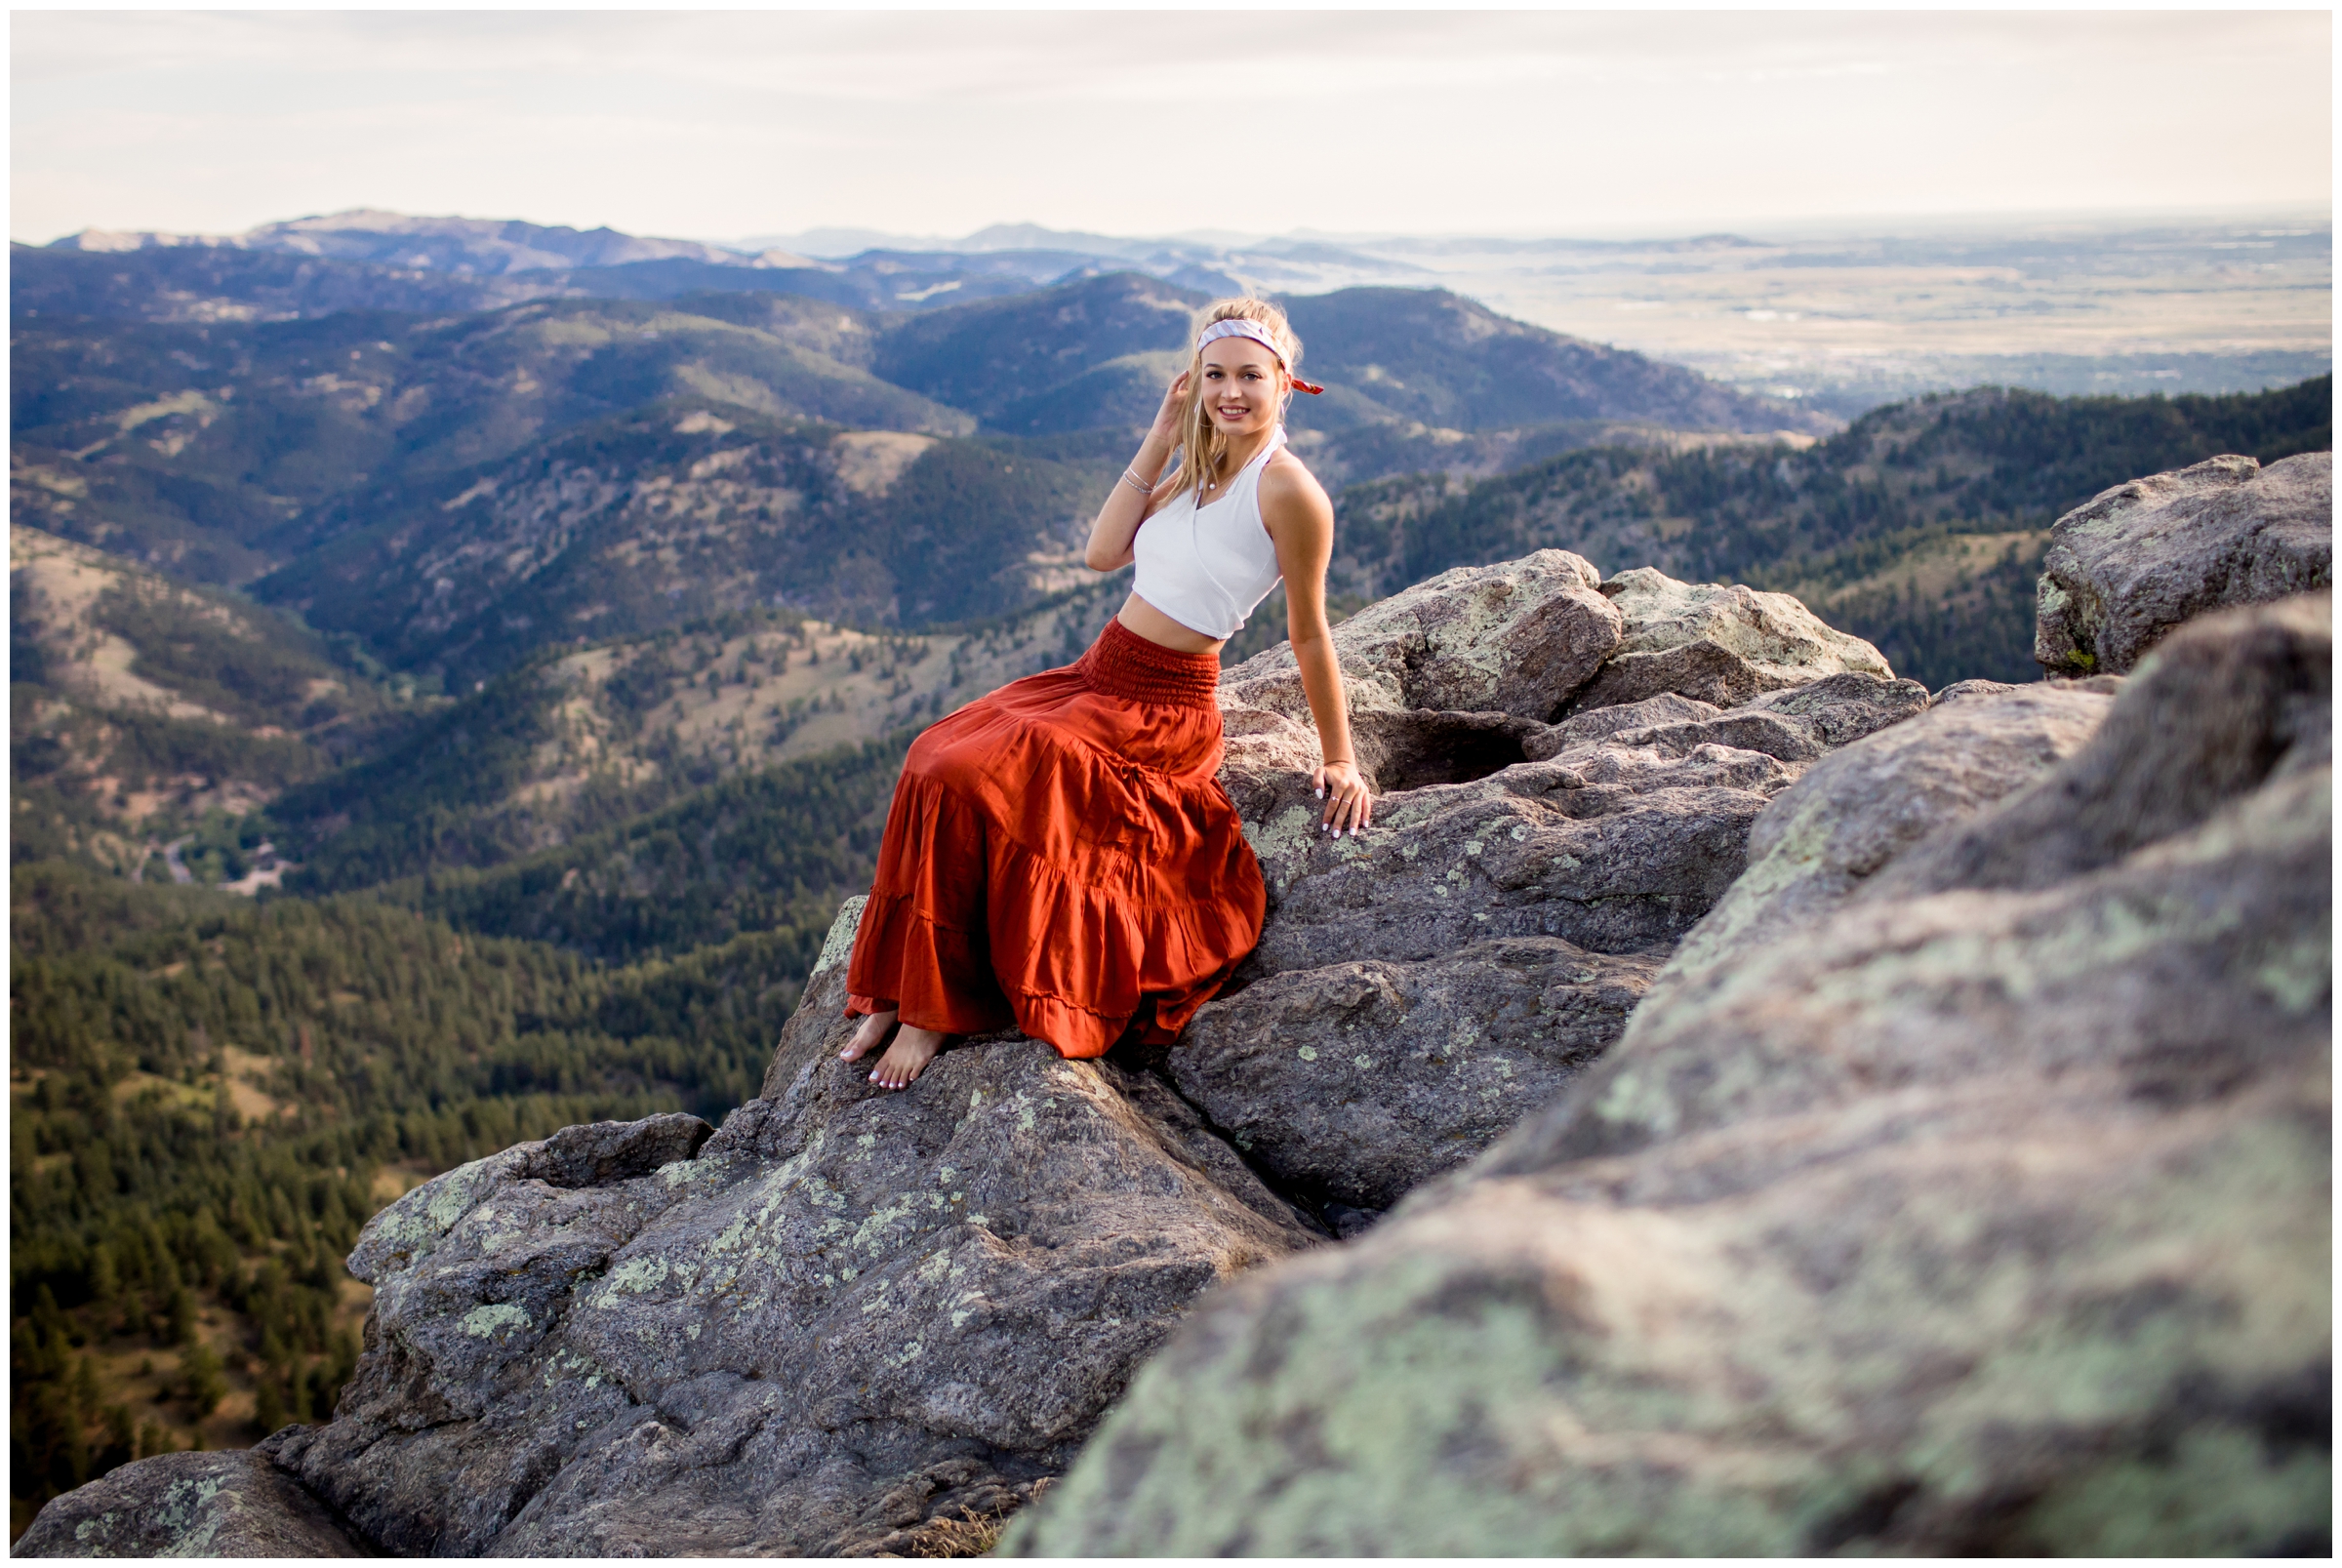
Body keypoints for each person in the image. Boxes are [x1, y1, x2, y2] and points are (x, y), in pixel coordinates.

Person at [839, 298, 1373, 1089]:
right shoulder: (1198, 466)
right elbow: (1100, 553)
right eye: (1214, 374)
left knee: (966, 778)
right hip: (1097, 676)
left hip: (1161, 711)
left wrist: (1341, 758)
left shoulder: (1289, 492)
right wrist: (1162, 434)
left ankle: (930, 1009)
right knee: (930, 754)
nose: (1231, 392)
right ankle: (897, 984)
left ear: (1285, 382)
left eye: (1249, 376)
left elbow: (1310, 634)